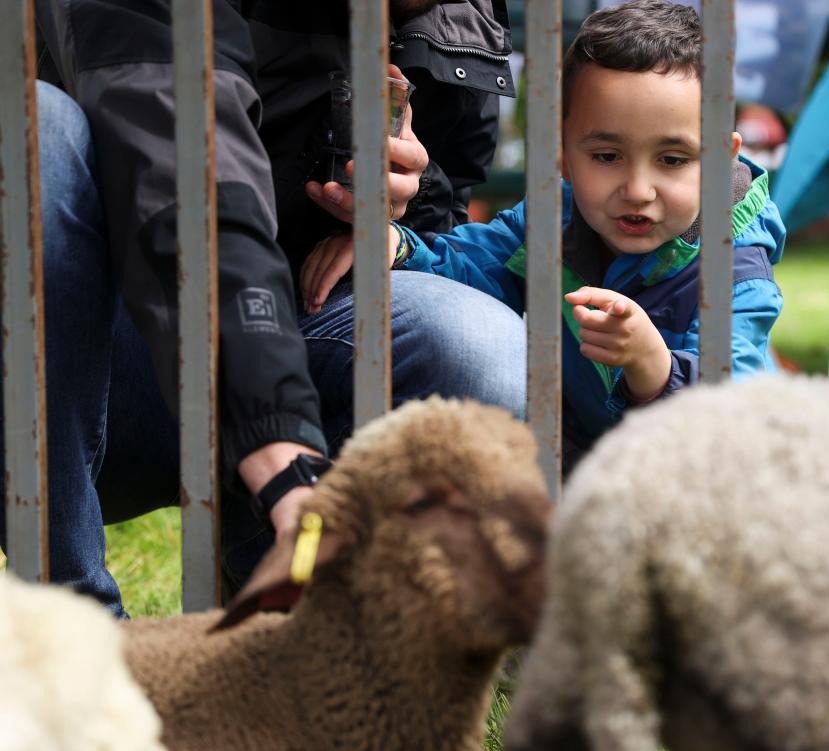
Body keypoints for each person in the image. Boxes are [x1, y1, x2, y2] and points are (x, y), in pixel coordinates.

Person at [18, 0, 525, 616]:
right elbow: (187, 163)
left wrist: (397, 216)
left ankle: (279, 613)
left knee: (477, 345)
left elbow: (441, 232)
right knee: (34, 131)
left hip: (298, 338)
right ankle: (72, 624)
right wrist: (279, 442)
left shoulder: (456, 12)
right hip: (92, 364)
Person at [302, 0, 786, 467]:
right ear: (564, 154)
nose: (638, 190)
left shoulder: (735, 273)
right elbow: (472, 265)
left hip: (694, 489)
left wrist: (654, 368)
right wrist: (399, 245)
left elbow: (731, 416)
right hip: (579, 466)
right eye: (606, 156)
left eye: (672, 160)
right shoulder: (555, 220)